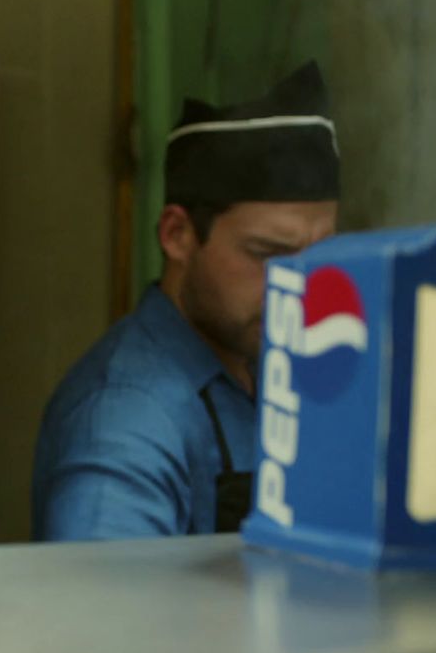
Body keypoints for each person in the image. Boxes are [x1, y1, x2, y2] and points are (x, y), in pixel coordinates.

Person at [32, 61, 339, 540]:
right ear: (177, 235)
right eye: (267, 255)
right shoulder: (126, 422)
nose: (299, 289)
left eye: (319, 257)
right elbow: (102, 609)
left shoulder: (265, 362)